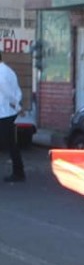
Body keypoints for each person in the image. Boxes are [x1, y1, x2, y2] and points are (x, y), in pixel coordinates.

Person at [0, 52, 24, 183]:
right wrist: (17, 105)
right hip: (8, 112)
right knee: (10, 144)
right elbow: (17, 91)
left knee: (10, 143)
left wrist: (17, 106)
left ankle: (19, 172)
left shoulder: (1, 73)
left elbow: (8, 92)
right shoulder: (9, 71)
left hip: (3, 112)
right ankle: (19, 171)